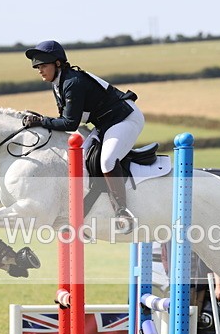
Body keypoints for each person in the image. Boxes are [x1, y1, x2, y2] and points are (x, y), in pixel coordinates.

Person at [24, 40, 145, 234]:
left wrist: (41, 121)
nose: (40, 70)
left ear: (57, 64)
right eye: (37, 67)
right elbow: (67, 121)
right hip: (105, 123)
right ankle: (85, 215)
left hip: (125, 118)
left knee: (106, 161)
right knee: (81, 159)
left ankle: (122, 212)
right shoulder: (59, 84)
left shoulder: (72, 82)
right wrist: (43, 121)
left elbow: (70, 123)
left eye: (43, 66)